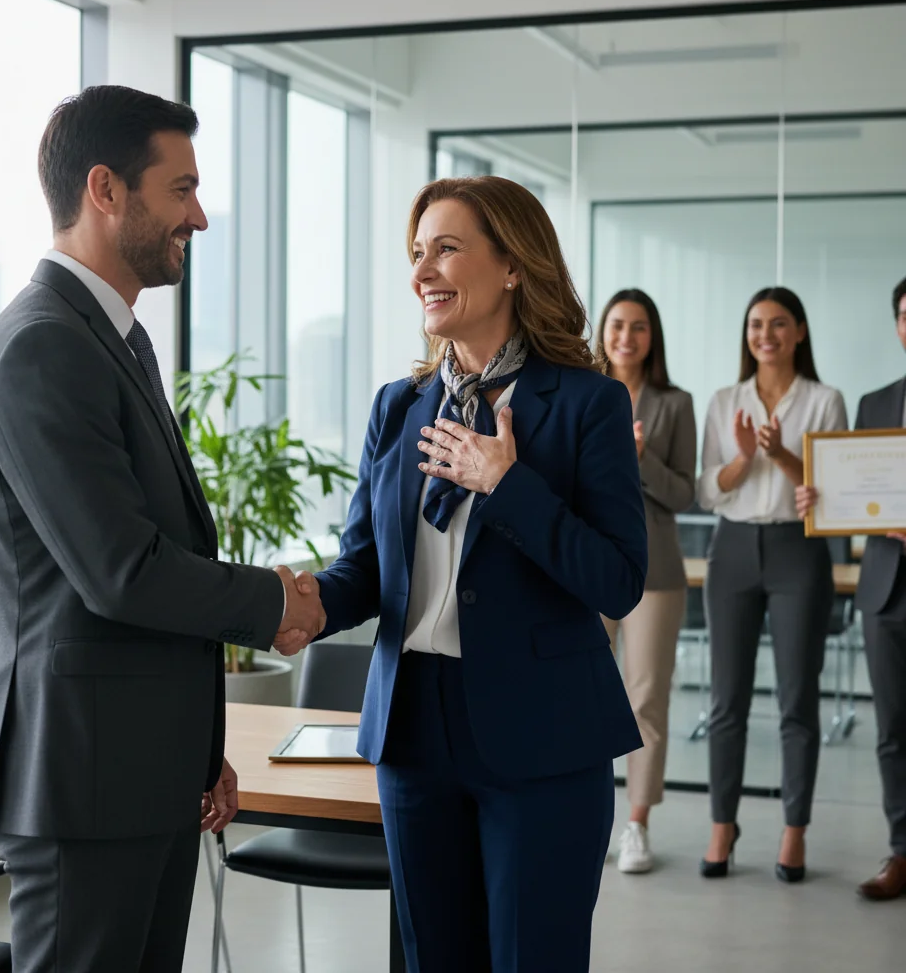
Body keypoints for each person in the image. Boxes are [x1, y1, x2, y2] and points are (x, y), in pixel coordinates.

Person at [0, 85, 324, 973]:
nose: (197, 216)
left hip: (138, 772)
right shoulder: (43, 345)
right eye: (181, 190)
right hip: (82, 781)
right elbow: (121, 570)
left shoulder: (113, 339)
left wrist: (196, 753)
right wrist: (274, 601)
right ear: (105, 190)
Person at [275, 176, 647, 972]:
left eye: (445, 248)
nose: (421, 272)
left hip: (543, 734)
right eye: (417, 253)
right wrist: (307, 606)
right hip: (413, 729)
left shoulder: (588, 404)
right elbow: (366, 568)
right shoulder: (398, 406)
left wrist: (507, 486)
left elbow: (618, 580)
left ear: (513, 265)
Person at [697, 286, 847, 883]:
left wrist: (780, 454)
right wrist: (744, 459)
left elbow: (833, 487)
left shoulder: (825, 400)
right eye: (756, 324)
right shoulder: (724, 400)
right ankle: (721, 826)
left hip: (797, 551)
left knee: (797, 699)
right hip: (732, 548)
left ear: (800, 332)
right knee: (726, 700)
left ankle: (794, 831)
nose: (766, 334)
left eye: (779, 323)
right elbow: (709, 490)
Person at [796, 275, 906, 900]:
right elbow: (859, 495)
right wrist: (823, 499)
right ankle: (902, 851)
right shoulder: (875, 404)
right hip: (886, 587)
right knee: (892, 730)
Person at [595, 289, 696, 873]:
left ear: (652, 336)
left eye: (638, 327)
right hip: (589, 564)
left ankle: (637, 824)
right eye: (617, 325)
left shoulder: (675, 404)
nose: (626, 337)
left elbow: (684, 492)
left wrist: (641, 458)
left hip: (655, 570)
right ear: (603, 332)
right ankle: (586, 812)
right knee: (582, 691)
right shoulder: (582, 391)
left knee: (646, 699)